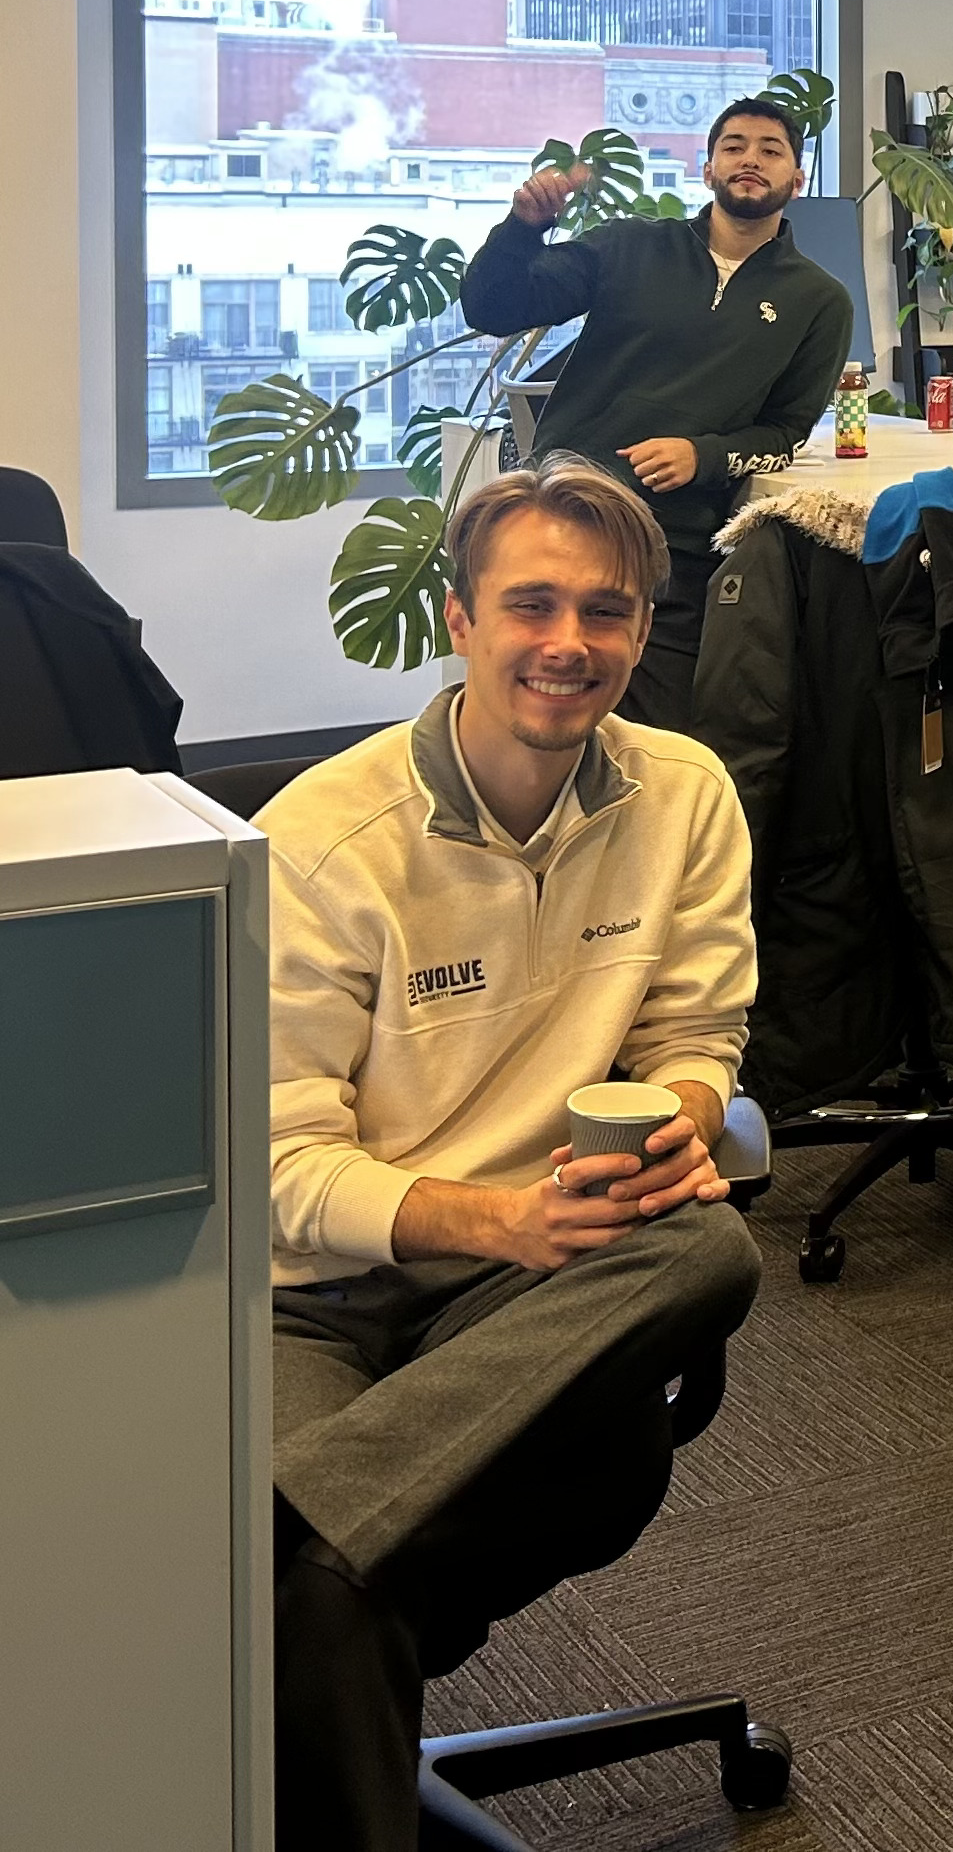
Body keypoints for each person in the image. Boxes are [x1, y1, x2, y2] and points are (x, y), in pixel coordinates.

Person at [262, 460, 761, 1850]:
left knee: (708, 1239)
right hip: (326, 1295)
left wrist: (680, 1110)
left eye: (606, 610)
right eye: (530, 602)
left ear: (641, 626)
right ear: (460, 618)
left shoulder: (684, 793)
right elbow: (276, 1162)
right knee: (324, 1591)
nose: (568, 642)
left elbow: (698, 1024)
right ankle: (314, 1534)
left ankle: (290, 1511)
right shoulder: (323, 841)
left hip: (539, 1288)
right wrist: (492, 1219)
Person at [458, 96, 853, 729]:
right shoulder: (630, 247)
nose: (751, 159)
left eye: (771, 150)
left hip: (674, 555)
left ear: (797, 179)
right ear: (708, 170)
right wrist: (523, 229)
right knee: (524, 716)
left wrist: (705, 456)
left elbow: (785, 433)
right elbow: (495, 306)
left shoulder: (819, 301)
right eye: (735, 147)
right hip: (562, 524)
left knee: (651, 738)